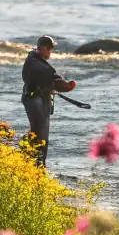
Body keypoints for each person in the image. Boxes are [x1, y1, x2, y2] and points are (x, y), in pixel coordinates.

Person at [21, 35, 76, 166]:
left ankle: (35, 164)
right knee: (40, 135)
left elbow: (50, 79)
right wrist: (67, 86)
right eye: (49, 48)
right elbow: (53, 79)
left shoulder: (34, 59)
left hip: (36, 99)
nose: (51, 51)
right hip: (35, 100)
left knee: (39, 134)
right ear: (40, 48)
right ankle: (36, 165)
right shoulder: (37, 64)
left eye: (51, 48)